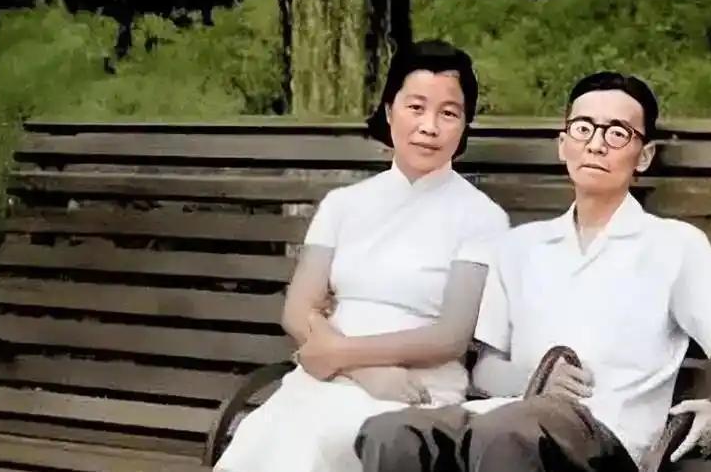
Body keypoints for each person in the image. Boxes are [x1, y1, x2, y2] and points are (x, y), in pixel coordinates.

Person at [355, 71, 711, 472]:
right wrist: (534, 379)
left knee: (510, 432)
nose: (596, 145)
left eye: (617, 133)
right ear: (563, 144)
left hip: (604, 445)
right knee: (391, 433)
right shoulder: (519, 246)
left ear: (643, 156)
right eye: (583, 129)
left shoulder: (674, 245)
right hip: (506, 424)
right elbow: (485, 370)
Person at [215, 40, 510, 472]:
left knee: (319, 440)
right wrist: (361, 370)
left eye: (448, 113)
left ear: (464, 125)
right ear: (389, 111)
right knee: (265, 431)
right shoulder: (343, 204)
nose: (429, 126)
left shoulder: (482, 218)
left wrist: (343, 356)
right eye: (416, 107)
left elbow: (450, 336)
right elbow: (298, 311)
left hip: (414, 391)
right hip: (329, 379)